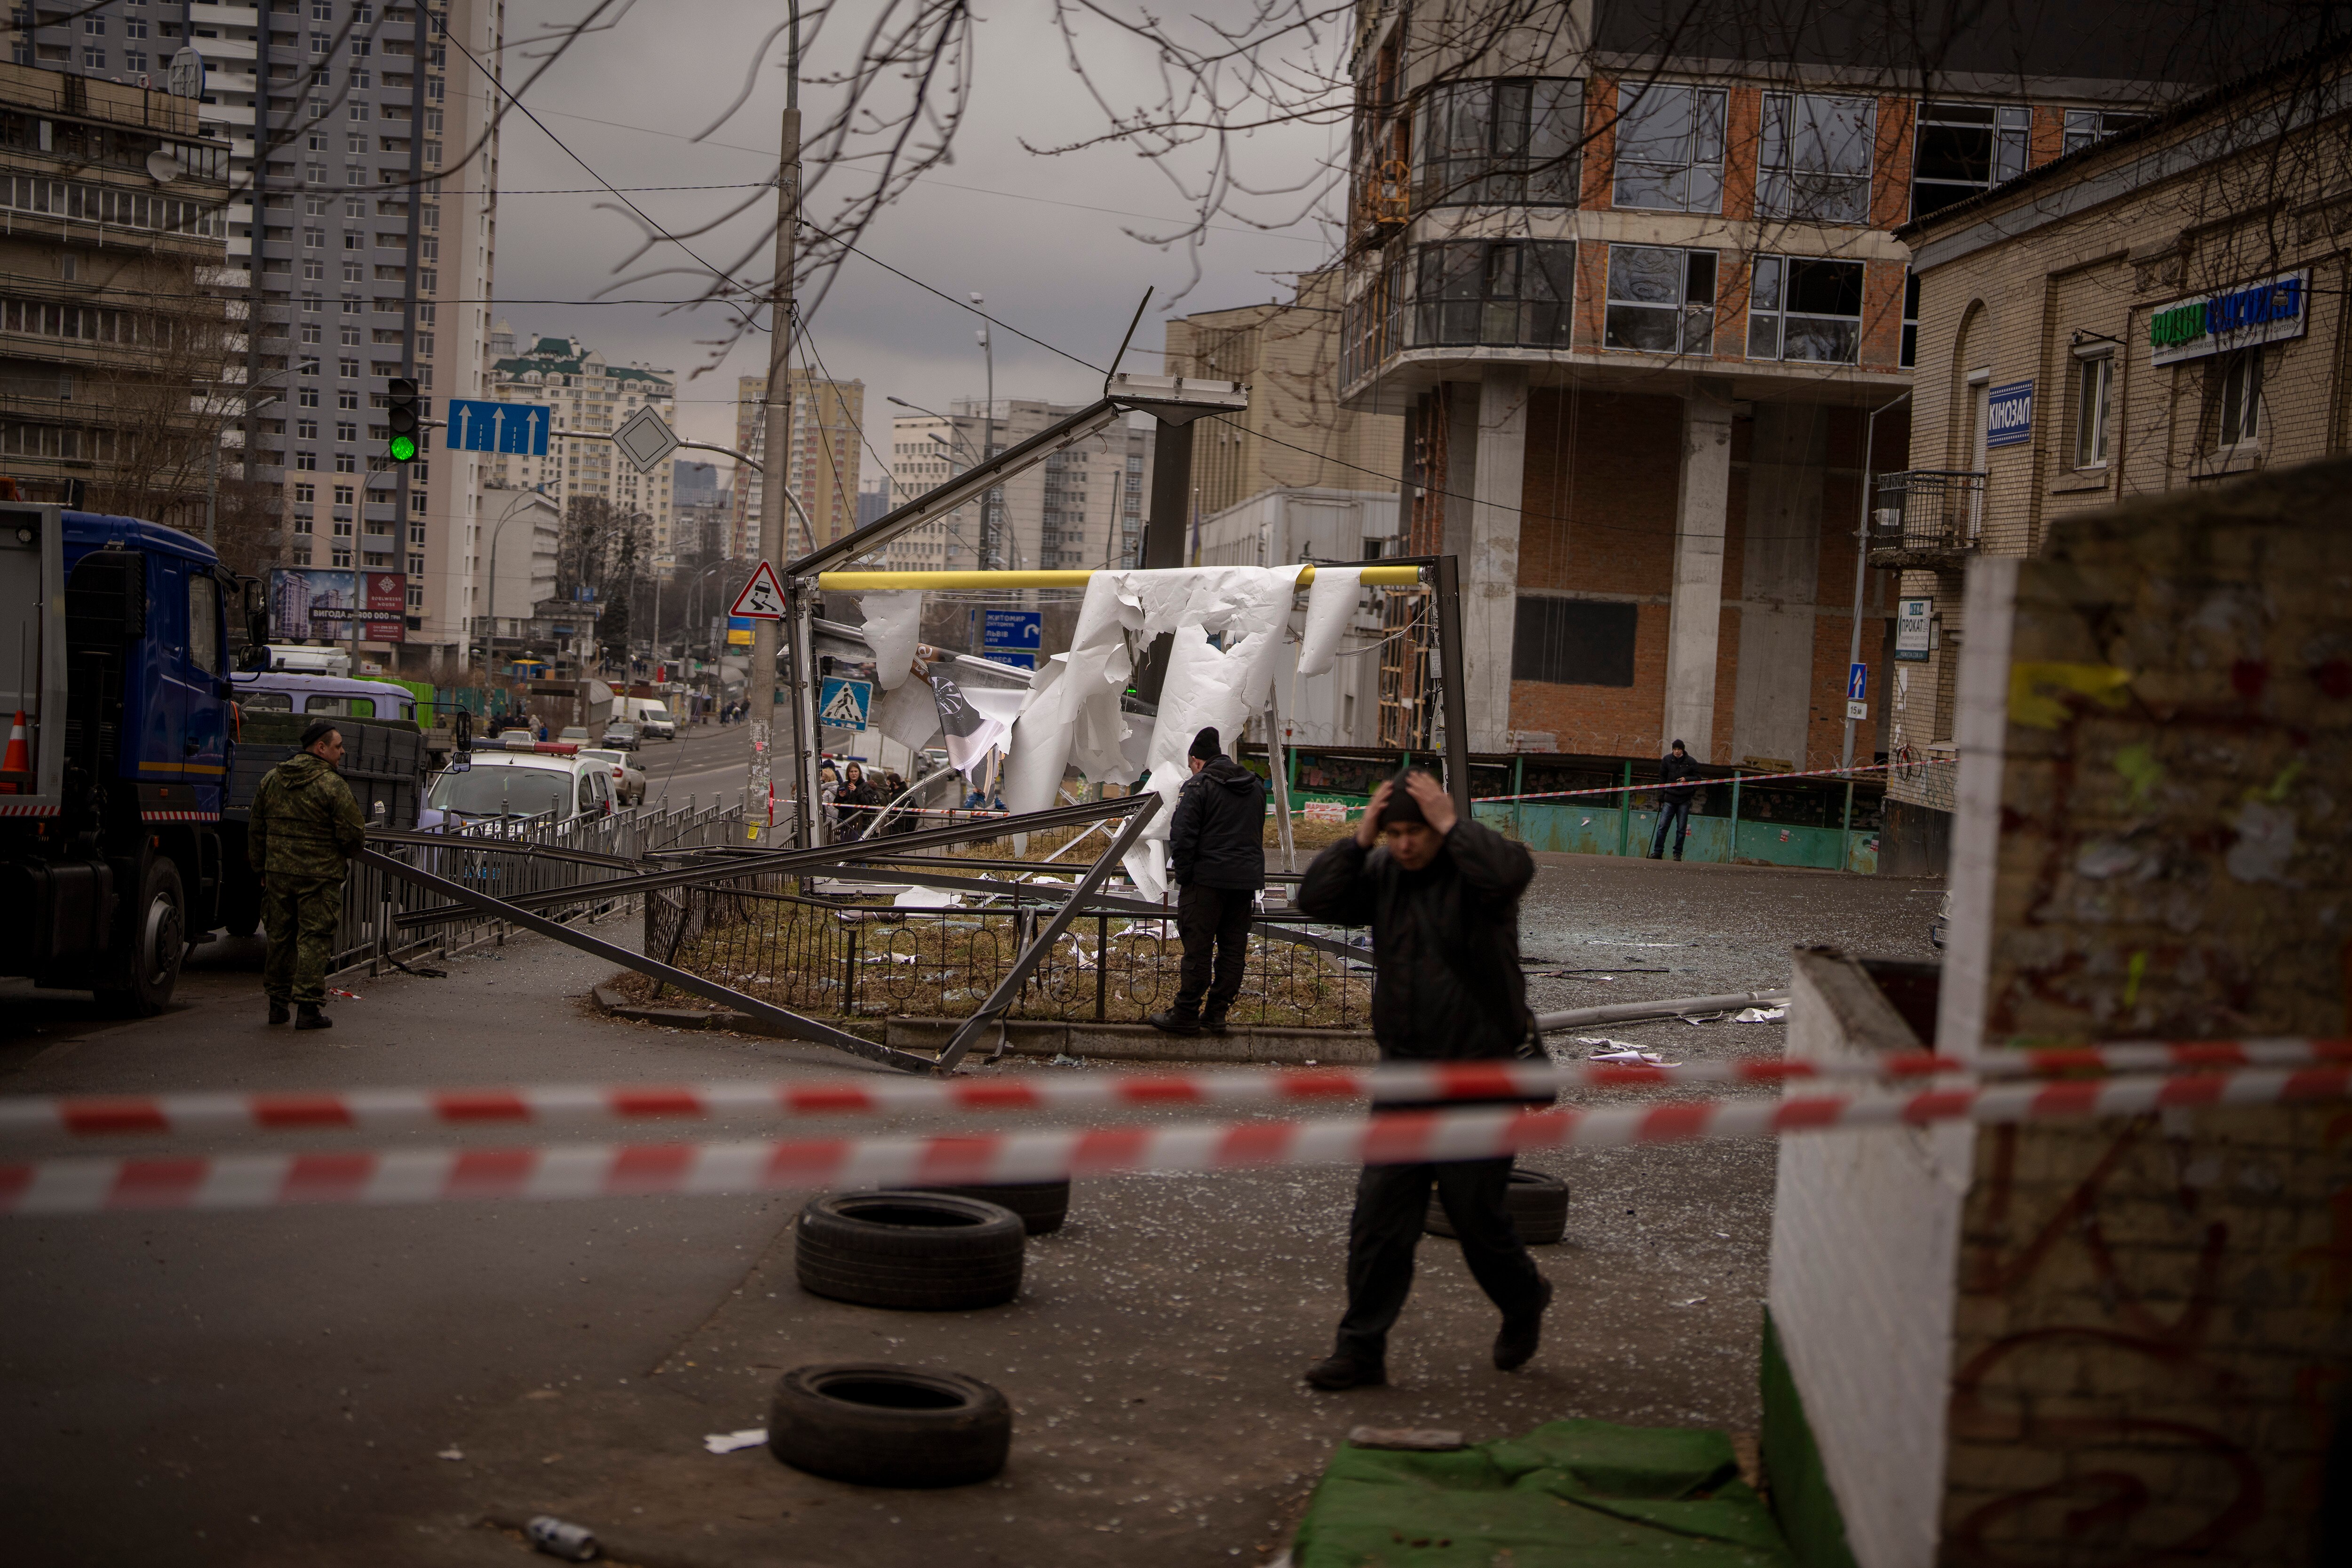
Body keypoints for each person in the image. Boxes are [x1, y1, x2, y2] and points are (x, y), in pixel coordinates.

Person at [1294, 767, 1550, 1390]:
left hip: (1477, 1078)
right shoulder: (1382, 872)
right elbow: (1317, 901)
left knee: (1476, 1219)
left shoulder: (1477, 872)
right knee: (1379, 1219)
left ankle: (1524, 1299)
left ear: (1437, 825)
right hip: (1405, 1077)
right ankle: (1360, 1350)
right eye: (1396, 833)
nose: (1406, 845)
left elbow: (1513, 872)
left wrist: (1453, 825)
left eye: (1417, 832)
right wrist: (1359, 841)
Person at [1147, 727, 1268, 1037]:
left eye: (1190, 764)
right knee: (1232, 951)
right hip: (1243, 885)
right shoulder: (1255, 787)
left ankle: (1186, 1013)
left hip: (1206, 883)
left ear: (1197, 760)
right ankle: (1216, 1014)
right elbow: (1255, 832)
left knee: (1197, 950)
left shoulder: (1198, 786)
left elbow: (1182, 836)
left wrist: (1186, 877)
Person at [249, 719, 368, 1030]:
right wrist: (339, 853)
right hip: (319, 877)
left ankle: (277, 1006)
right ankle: (307, 1008)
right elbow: (354, 834)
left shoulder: (272, 780)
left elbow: (257, 828)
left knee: (280, 938)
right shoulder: (332, 786)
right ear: (321, 748)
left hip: (278, 874)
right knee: (314, 939)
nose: (342, 752)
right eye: (338, 746)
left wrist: (261, 867)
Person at [1650, 739, 1699, 860]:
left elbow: (1698, 778)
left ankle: (1677, 854)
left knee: (1681, 829)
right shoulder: (1667, 760)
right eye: (1675, 749)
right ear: (1673, 750)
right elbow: (1662, 778)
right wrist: (1661, 796)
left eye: (1679, 749)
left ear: (1683, 750)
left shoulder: (1691, 762)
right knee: (1662, 827)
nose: (1677, 752)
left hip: (1684, 799)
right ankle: (1658, 852)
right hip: (1669, 798)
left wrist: (1687, 780)